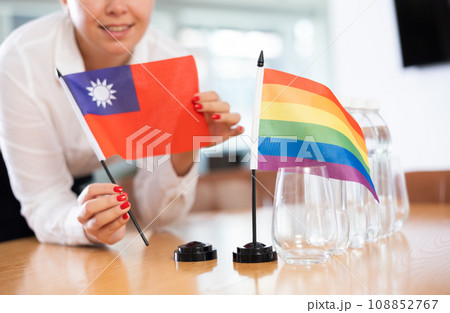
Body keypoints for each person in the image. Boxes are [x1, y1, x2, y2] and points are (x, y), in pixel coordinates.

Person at [0, 0, 243, 245]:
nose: (117, 7)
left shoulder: (168, 61)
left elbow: (156, 217)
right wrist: (83, 226)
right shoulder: (22, 58)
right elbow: (43, 197)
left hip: (81, 178)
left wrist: (185, 145)